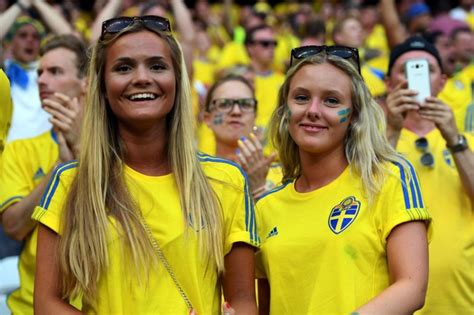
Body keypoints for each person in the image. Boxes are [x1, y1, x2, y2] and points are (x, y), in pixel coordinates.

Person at [33, 16, 258, 314]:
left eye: (157, 66)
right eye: (123, 67)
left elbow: (242, 300)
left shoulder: (225, 179)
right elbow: (47, 303)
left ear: (178, 80)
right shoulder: (70, 181)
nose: (141, 77)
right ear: (101, 85)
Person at [255, 45, 431, 314]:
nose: (313, 110)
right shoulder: (266, 207)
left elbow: (412, 286)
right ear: (284, 110)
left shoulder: (388, 177)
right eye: (301, 98)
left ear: (355, 116)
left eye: (332, 101)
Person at [384, 36, 474, 314]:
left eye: (426, 69)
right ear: (389, 83)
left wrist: (454, 140)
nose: (415, 78)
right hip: (392, 301)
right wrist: (392, 129)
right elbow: (363, 199)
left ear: (442, 82)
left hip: (462, 300)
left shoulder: (467, 139)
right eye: (405, 70)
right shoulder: (373, 145)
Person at [0, 34, 87, 314]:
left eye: (55, 72)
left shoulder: (119, 145)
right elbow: (13, 226)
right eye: (39, 72)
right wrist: (59, 171)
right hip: (29, 307)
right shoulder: (19, 149)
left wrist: (84, 149)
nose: (41, 80)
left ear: (86, 83)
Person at [202, 74, 280, 199]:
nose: (236, 111)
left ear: (255, 116)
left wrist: (260, 189)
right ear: (207, 119)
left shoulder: (280, 176)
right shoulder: (195, 175)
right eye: (224, 104)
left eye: (245, 104)